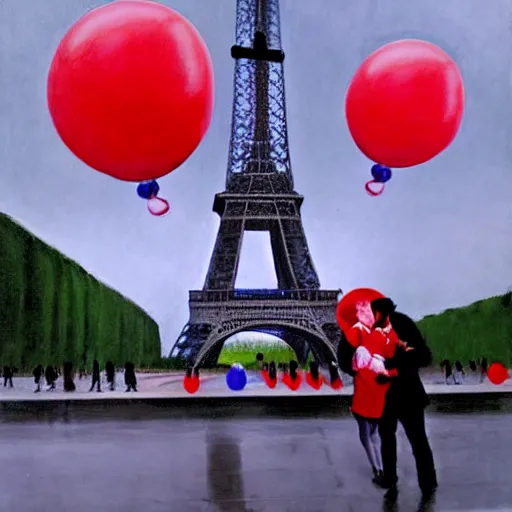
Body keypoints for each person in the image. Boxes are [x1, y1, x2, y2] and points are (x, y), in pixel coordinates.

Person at [374, 307, 438, 499]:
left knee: (387, 436)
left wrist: (388, 369)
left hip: (390, 394)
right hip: (410, 393)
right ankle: (428, 481)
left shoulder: (383, 331)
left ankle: (390, 478)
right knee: (418, 440)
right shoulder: (403, 326)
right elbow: (421, 358)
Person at [347, 298, 400, 481]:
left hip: (366, 393)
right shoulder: (391, 336)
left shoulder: (370, 338)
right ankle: (380, 468)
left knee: (365, 434)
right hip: (380, 392)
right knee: (374, 433)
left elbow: (356, 366)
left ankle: (377, 467)